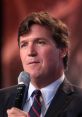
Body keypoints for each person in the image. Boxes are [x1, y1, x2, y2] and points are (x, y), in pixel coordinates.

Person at [0, 11, 82, 117]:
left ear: (63, 51)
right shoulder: (1, 99)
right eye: (24, 44)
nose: (30, 52)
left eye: (40, 42)